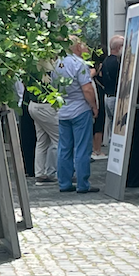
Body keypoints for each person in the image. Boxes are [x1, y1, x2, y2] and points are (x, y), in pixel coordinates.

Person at [51, 37, 99, 193]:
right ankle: (82, 184)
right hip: (80, 109)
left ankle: (64, 182)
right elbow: (87, 89)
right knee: (82, 148)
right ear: (77, 46)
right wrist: (94, 106)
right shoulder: (80, 64)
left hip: (64, 110)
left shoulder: (57, 64)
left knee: (64, 148)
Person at [27, 70, 60, 183]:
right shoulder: (47, 70)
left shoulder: (31, 69)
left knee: (42, 141)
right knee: (59, 140)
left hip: (34, 105)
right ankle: (60, 172)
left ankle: (40, 173)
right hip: (46, 106)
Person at [95, 33, 124, 156]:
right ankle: (118, 153)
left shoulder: (106, 61)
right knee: (119, 127)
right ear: (119, 47)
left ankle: (113, 152)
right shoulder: (118, 62)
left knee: (112, 126)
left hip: (108, 96)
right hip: (116, 97)